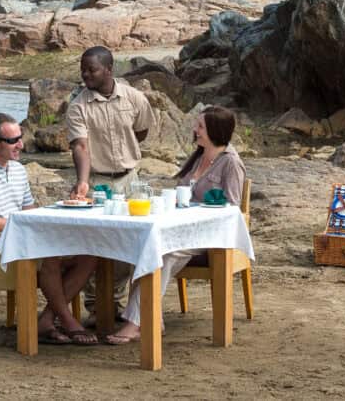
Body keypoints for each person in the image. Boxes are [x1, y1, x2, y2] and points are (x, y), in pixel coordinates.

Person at [104, 105, 246, 345]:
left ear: (215, 130)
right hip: (181, 228)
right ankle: (151, 318)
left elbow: (232, 208)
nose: (195, 130)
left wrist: (202, 210)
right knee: (144, 247)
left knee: (164, 254)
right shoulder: (199, 157)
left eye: (200, 126)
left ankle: (135, 323)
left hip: (207, 235)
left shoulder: (230, 163)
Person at [0, 112, 99, 345]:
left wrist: (62, 209)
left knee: (90, 253)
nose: (21, 145)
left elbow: (30, 211)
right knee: (51, 257)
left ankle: (46, 320)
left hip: (23, 241)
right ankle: (68, 320)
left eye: (20, 137)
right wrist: (26, 224)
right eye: (13, 140)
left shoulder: (17, 170)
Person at [66, 45, 153, 319]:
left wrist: (125, 156)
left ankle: (117, 300)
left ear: (108, 69)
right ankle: (96, 306)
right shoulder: (78, 106)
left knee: (129, 243)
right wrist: (82, 182)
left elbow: (141, 130)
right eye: (83, 70)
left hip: (129, 181)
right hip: (96, 182)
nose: (85, 75)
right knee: (92, 243)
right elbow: (80, 146)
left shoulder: (134, 98)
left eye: (91, 69)